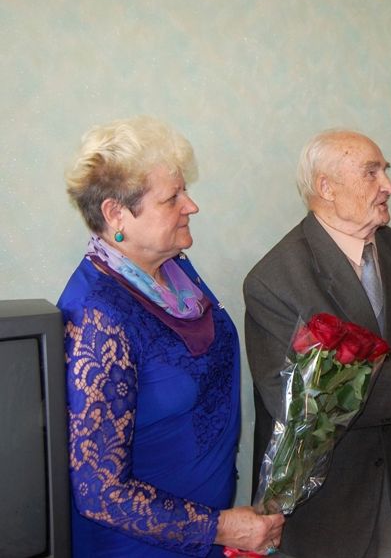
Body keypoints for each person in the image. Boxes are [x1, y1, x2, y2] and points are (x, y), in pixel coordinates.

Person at [58, 116, 284, 557]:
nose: (191, 206)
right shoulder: (96, 316)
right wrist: (221, 527)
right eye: (171, 198)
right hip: (138, 546)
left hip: (206, 533)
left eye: (185, 191)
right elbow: (100, 493)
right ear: (116, 213)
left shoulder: (175, 268)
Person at [244, 129, 391, 558]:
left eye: (385, 171)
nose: (389, 185)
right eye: (371, 173)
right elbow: (298, 402)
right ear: (326, 187)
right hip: (323, 504)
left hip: (388, 476)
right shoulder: (274, 280)